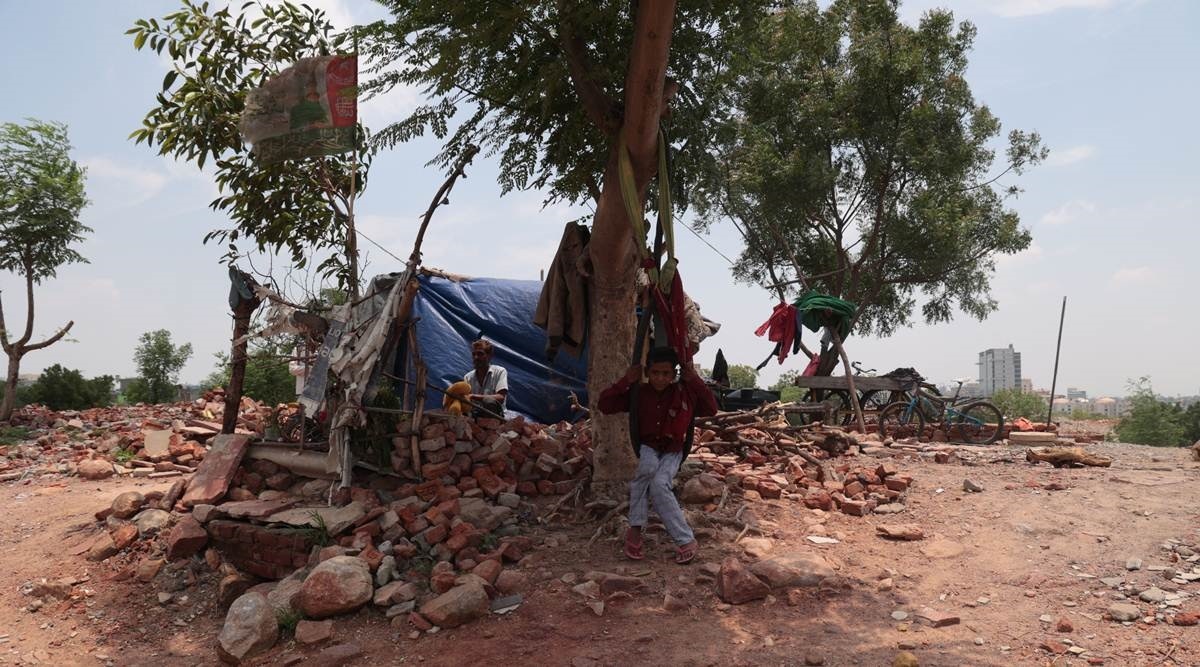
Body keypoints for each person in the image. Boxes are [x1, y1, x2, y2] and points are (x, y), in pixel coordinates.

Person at [598, 347, 718, 564]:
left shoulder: (684, 393)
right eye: (655, 373)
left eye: (666, 374)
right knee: (646, 469)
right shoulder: (639, 393)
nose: (660, 378)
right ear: (647, 372)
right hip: (648, 446)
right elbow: (605, 404)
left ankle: (685, 540)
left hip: (673, 450)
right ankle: (635, 528)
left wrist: (694, 379)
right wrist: (627, 380)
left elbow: (711, 408)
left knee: (660, 484)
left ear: (673, 374)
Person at [464, 339, 508, 418]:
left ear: (489, 356)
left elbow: (501, 397)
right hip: (475, 415)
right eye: (474, 354)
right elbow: (467, 398)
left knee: (488, 401)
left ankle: (492, 424)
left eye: (480, 354)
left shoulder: (500, 371)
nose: (476, 357)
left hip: (496, 415)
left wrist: (473, 396)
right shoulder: (468, 377)